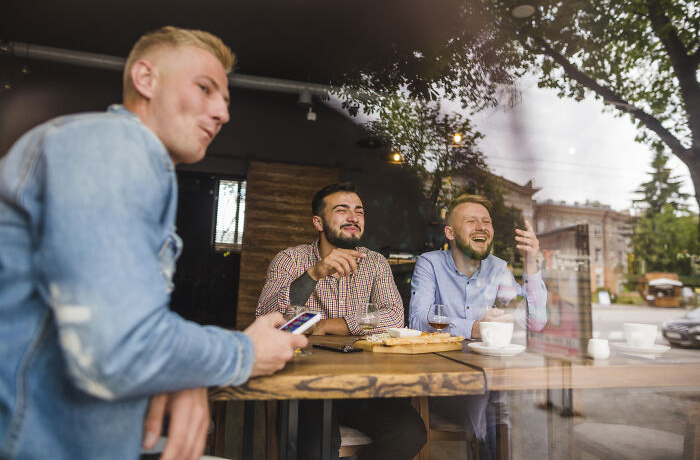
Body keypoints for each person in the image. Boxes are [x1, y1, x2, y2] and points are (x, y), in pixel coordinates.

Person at [0, 26, 305, 460]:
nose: (222, 112)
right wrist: (245, 351)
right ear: (146, 80)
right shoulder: (113, 145)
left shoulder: (130, 158)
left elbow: (121, 337)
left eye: (226, 100)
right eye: (205, 88)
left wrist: (184, 374)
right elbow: (118, 349)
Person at [257, 182, 426, 459]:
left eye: (359, 211)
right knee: (317, 446)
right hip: (307, 384)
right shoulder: (289, 260)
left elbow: (394, 315)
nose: (353, 216)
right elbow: (268, 319)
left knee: (410, 434)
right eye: (342, 210)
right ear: (318, 222)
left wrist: (327, 324)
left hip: (362, 384)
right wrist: (314, 273)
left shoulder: (375, 263)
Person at [409, 193, 547, 459]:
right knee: (493, 401)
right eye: (471, 221)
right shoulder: (430, 263)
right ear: (449, 232)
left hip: (489, 380)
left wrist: (531, 263)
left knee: (494, 397)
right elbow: (417, 320)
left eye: (486, 221)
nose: (482, 226)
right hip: (442, 381)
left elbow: (535, 321)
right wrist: (476, 328)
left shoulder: (498, 268)